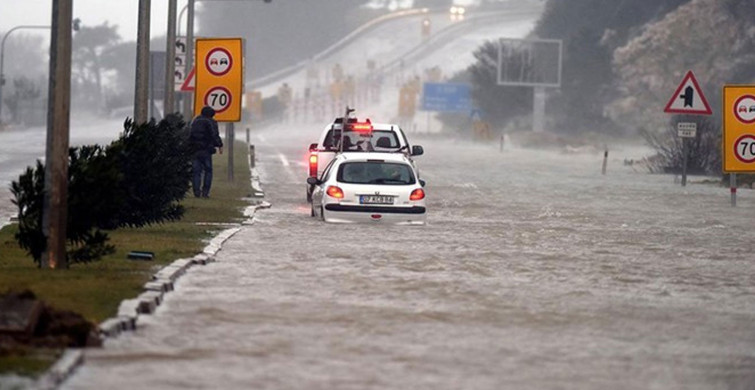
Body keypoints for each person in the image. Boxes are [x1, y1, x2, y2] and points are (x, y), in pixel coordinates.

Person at [189, 106, 223, 198]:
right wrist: (219, 145)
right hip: (206, 150)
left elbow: (190, 135)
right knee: (208, 171)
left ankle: (196, 192)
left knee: (196, 171)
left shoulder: (195, 121)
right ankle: (205, 192)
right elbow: (214, 135)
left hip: (195, 150)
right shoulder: (211, 122)